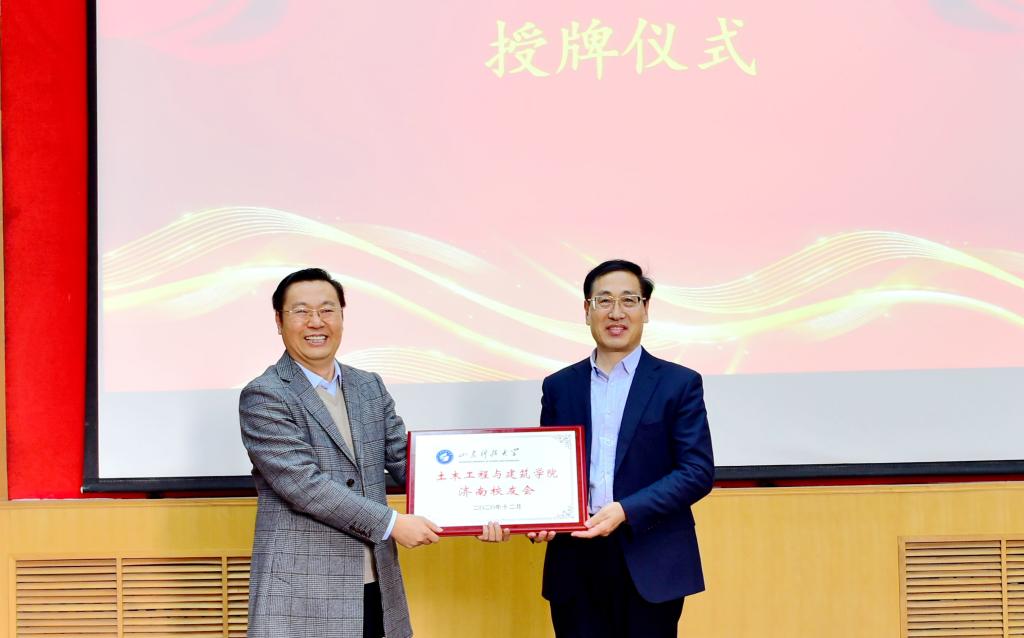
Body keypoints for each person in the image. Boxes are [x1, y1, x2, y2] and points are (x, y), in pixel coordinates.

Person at [239, 267, 453, 638]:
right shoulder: (265, 394)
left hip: (377, 583)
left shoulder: (368, 386)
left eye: (327, 310)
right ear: (279, 321)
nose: (316, 322)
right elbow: (304, 485)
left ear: (341, 315)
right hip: (303, 591)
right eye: (301, 311)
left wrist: (483, 510)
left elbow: (405, 461)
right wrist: (392, 524)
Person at [528, 259, 715, 638]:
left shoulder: (679, 383)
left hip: (651, 556)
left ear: (645, 309)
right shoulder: (559, 386)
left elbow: (696, 472)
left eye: (629, 300)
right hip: (575, 558)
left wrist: (626, 510)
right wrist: (540, 516)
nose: (616, 313)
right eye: (604, 301)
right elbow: (552, 468)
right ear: (587, 310)